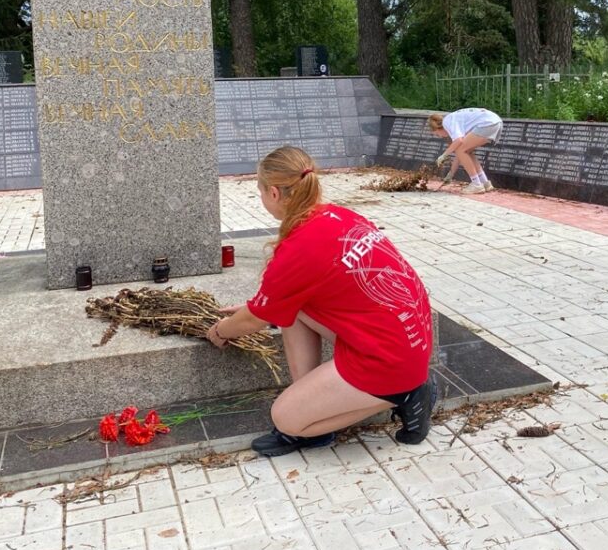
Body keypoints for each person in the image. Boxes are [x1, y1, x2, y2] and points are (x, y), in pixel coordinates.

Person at [206, 146, 436, 457]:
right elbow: (272, 307)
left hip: (388, 358)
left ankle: (407, 395)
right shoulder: (339, 215)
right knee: (294, 308)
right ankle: (317, 409)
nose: (261, 198)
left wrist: (220, 331)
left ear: (273, 193)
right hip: (407, 338)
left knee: (284, 418)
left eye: (259, 191)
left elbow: (251, 321)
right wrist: (262, 309)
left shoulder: (296, 250)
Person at [428, 107, 503, 194]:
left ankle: (476, 184)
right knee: (467, 151)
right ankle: (485, 182)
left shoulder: (447, 122)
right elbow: (459, 155)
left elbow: (459, 141)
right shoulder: (454, 121)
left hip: (487, 124)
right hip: (496, 122)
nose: (441, 136)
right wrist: (451, 173)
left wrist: (444, 155)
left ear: (437, 128)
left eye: (437, 134)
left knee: (461, 150)